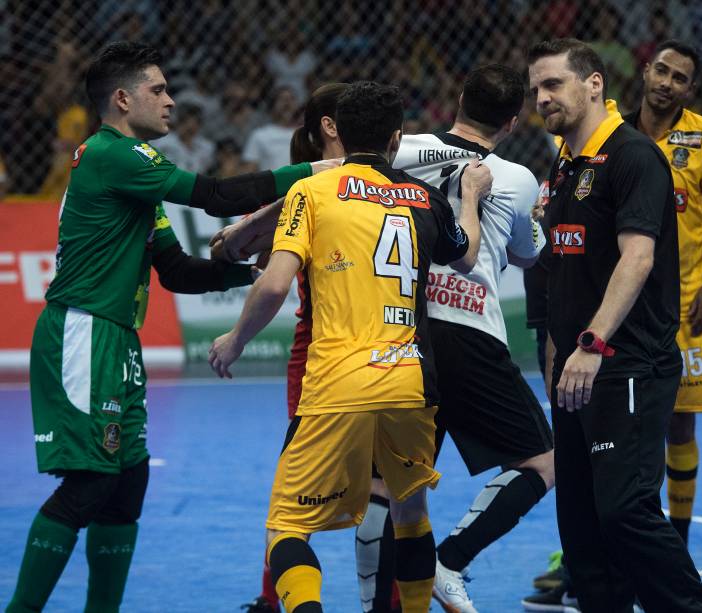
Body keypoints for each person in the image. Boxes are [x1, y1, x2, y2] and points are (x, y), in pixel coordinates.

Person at [4, 40, 324, 613]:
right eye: (159, 90)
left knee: (127, 485)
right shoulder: (111, 154)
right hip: (85, 333)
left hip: (117, 340)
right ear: (123, 100)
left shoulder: (135, 183)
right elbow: (217, 196)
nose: (171, 101)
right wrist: (314, 172)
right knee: (90, 485)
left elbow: (175, 272)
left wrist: (241, 272)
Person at [207, 81, 493, 613]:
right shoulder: (423, 196)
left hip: (339, 382)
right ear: (396, 137)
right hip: (411, 383)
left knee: (287, 527)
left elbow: (272, 285)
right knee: (411, 514)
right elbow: (467, 256)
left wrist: (234, 340)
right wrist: (471, 199)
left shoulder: (312, 193)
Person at [526, 38, 702, 613]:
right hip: (574, 373)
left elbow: (638, 259)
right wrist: (557, 350)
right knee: (579, 524)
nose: (542, 97)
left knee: (625, 510)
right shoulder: (563, 163)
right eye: (535, 89)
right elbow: (561, 265)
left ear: (594, 84)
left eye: (553, 84)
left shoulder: (633, 155)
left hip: (627, 363)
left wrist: (591, 342)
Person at [364, 64, 552, 613]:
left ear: (459, 98)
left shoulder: (403, 149)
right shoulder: (516, 179)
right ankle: (451, 559)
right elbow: (528, 253)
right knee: (542, 462)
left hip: (401, 328)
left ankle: (380, 607)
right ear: (513, 122)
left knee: (391, 485)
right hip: (470, 331)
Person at [223, 82, 350, 613]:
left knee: (305, 491)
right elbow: (251, 260)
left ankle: (274, 599)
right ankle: (274, 598)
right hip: (346, 355)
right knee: (391, 491)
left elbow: (237, 244)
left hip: (342, 355)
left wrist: (236, 236)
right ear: (330, 126)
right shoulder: (307, 194)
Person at [622, 39, 702, 545]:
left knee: (681, 425)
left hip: (685, 299)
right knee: (622, 425)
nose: (667, 83)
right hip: (623, 299)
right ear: (646, 71)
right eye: (662, 71)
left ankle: (679, 541)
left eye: (679, 78)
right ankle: (620, 531)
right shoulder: (611, 132)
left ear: (690, 88)